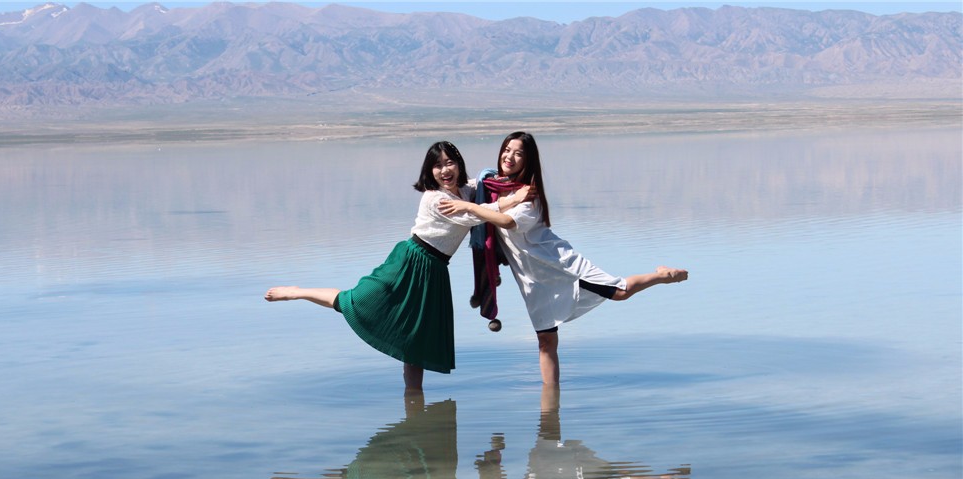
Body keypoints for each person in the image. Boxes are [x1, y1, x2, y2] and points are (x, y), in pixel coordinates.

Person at [264, 141, 527, 391]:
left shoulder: (466, 192)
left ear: (459, 164)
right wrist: (512, 200)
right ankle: (297, 292)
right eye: (437, 165)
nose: (445, 170)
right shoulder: (435, 199)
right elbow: (476, 214)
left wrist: (510, 182)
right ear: (429, 171)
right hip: (409, 262)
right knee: (354, 301)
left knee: (417, 338)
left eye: (449, 163)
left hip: (435, 270)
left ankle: (413, 397)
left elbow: (485, 186)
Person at [438, 131, 689, 384]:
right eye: (506, 150)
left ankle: (662, 276)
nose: (509, 157)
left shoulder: (529, 194)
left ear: (528, 160)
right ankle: (550, 401)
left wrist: (469, 207)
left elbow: (507, 221)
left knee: (619, 293)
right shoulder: (489, 185)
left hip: (559, 265)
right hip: (531, 279)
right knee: (545, 340)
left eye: (518, 153)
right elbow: (460, 187)